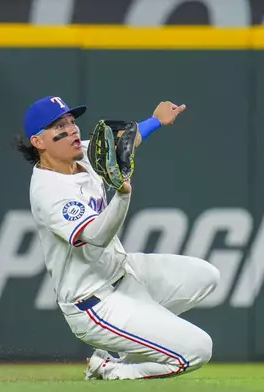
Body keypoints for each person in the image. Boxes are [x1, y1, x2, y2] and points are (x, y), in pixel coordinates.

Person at [16, 96, 220, 380]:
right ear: (39, 142)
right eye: (59, 125)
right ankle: (114, 371)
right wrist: (122, 195)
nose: (73, 129)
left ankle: (112, 353)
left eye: (72, 121)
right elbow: (97, 236)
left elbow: (123, 143)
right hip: (95, 303)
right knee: (198, 349)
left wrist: (156, 121)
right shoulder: (48, 191)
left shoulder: (83, 155)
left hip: (125, 273)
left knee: (206, 276)